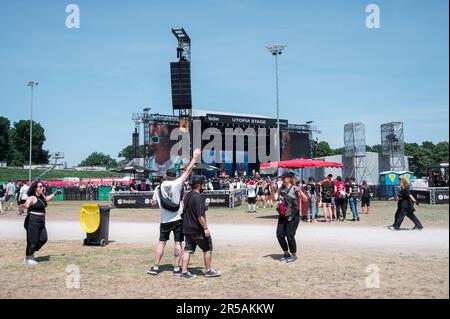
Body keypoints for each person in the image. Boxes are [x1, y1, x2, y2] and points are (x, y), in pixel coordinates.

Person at [147, 148, 201, 276]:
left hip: (164, 220)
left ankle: (155, 267)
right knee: (178, 243)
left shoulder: (158, 188)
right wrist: (195, 157)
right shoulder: (177, 183)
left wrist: (155, 202)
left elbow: (154, 203)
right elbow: (188, 171)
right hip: (177, 219)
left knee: (161, 243)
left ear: (165, 176)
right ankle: (176, 268)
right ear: (174, 176)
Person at [180, 176, 221, 278]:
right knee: (207, 248)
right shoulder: (198, 198)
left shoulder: (188, 195)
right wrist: (205, 228)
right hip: (197, 229)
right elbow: (200, 216)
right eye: (203, 184)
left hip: (187, 227)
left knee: (187, 249)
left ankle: (184, 271)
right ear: (199, 185)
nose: (204, 186)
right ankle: (208, 271)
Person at [19, 182, 61, 265]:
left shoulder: (42, 196)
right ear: (35, 188)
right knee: (32, 240)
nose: (43, 188)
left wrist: (55, 193)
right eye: (40, 186)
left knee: (43, 238)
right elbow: (27, 204)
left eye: (43, 186)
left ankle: (31, 253)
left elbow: (46, 199)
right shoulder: (32, 197)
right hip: (32, 220)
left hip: (41, 221)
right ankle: (27, 259)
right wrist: (24, 206)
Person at [274, 172, 307, 263]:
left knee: (289, 235)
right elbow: (274, 198)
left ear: (289, 179)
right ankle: (286, 253)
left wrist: (300, 191)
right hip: (283, 214)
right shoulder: (281, 188)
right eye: (281, 178)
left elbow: (305, 200)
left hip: (293, 215)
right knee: (279, 234)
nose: (282, 180)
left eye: (283, 178)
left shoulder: (295, 188)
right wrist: (277, 190)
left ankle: (293, 255)